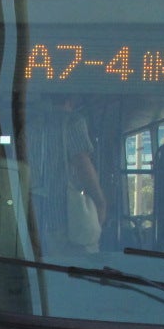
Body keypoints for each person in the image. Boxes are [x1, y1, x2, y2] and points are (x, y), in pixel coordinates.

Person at [27, 95, 109, 250]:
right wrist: (100, 202)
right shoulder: (72, 122)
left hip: (33, 221)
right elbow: (82, 165)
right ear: (72, 100)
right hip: (66, 223)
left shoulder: (30, 128)